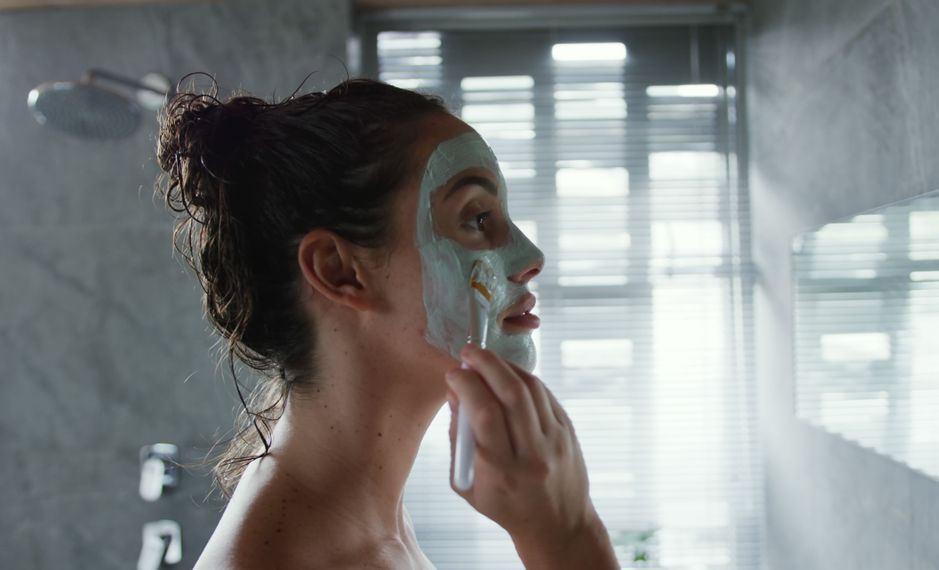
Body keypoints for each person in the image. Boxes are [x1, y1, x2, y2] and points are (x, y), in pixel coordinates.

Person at [155, 75, 619, 569]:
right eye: (477, 218)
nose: (530, 256)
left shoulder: (378, 526)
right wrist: (565, 534)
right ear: (338, 270)